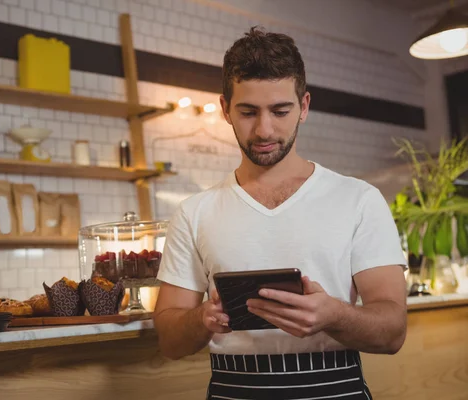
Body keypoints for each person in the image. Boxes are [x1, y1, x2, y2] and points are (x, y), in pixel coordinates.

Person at [153, 26, 408, 400]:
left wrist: (333, 315)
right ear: (225, 109)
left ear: (303, 107)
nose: (264, 129)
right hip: (232, 390)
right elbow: (170, 340)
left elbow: (393, 331)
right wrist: (202, 317)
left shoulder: (359, 200)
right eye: (247, 112)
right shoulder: (194, 213)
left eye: (280, 110)